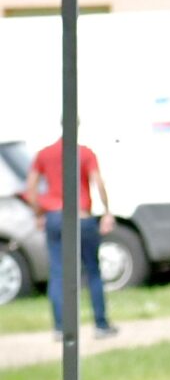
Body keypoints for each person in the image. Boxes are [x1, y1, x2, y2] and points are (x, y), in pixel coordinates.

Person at [16, 135, 116, 338]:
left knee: (57, 272)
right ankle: (100, 324)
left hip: (55, 216)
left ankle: (61, 328)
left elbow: (31, 188)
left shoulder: (44, 154)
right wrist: (106, 211)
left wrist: (39, 213)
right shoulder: (85, 153)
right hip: (81, 215)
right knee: (92, 271)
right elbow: (98, 182)